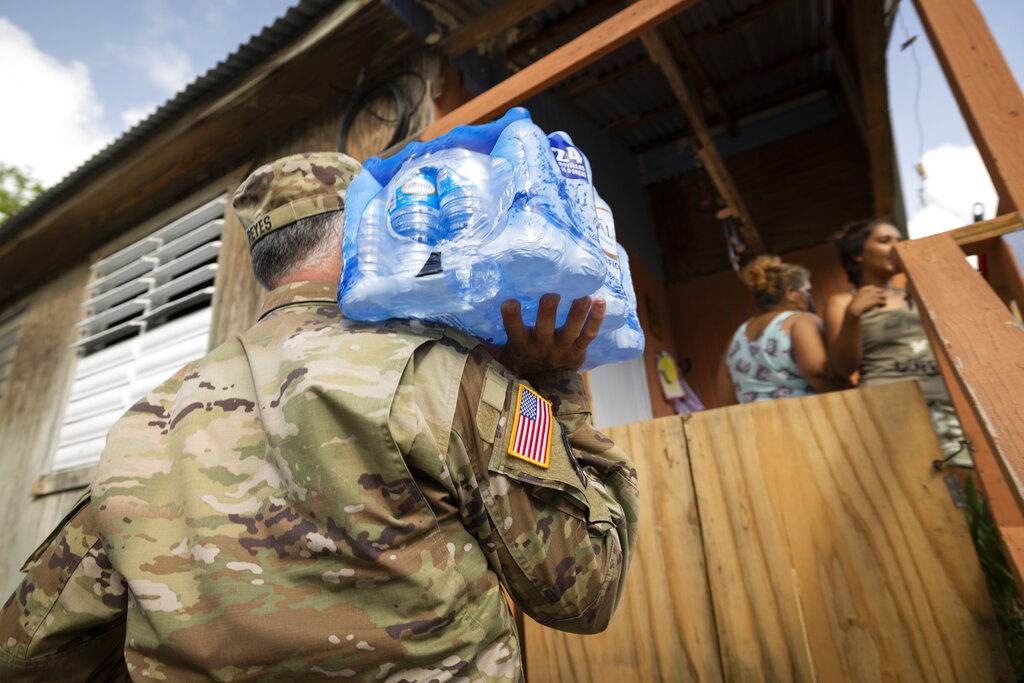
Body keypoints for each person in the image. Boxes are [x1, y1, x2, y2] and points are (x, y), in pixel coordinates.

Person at [0, 152, 639, 681]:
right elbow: (586, 589)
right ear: (369, 230)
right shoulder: (442, 373)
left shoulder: (144, 421)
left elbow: (28, 644)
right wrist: (553, 383)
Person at [824, 218, 969, 467]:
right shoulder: (842, 302)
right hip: (887, 407)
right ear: (858, 254)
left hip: (948, 404)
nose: (897, 246)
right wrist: (852, 315)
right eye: (884, 240)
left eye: (900, 240)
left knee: (974, 488)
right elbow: (842, 368)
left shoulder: (917, 294)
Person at [716, 255, 844, 405]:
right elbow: (820, 373)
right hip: (805, 418)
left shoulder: (737, 336)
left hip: (755, 424)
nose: (808, 296)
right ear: (790, 293)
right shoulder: (800, 321)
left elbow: (726, 395)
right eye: (806, 290)